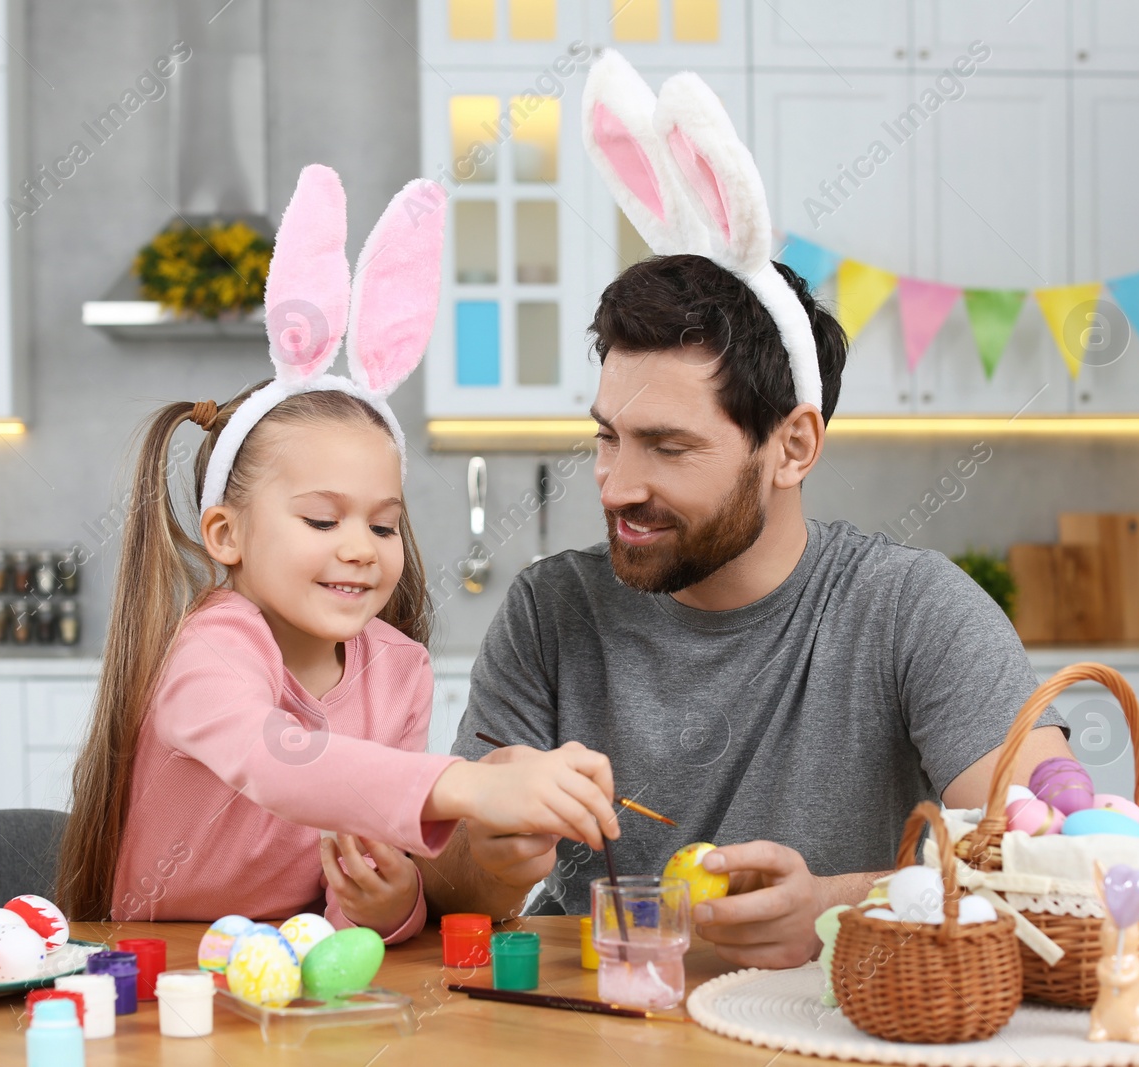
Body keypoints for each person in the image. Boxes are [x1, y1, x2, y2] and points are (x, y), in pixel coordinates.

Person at [420, 53, 1073, 968]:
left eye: (668, 446)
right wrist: (489, 852)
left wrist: (844, 906)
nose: (613, 484)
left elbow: (1046, 857)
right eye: (608, 436)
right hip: (601, 1022)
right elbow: (443, 892)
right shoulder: (550, 614)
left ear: (793, 447)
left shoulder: (915, 611)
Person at [55, 166, 618, 942]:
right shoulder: (211, 651)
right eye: (322, 520)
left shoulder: (398, 673)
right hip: (162, 979)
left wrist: (384, 904)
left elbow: (364, 887)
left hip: (303, 986)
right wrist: (468, 788)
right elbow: (280, 758)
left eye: (383, 526)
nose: (360, 548)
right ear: (227, 535)